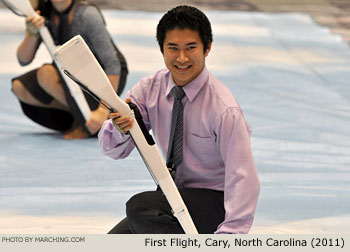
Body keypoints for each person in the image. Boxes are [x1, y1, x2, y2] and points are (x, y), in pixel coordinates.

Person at [98, 5, 259, 234]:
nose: (181, 58)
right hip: (173, 195)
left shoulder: (224, 109)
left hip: (214, 202)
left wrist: (230, 235)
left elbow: (243, 177)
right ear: (162, 49)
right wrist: (119, 129)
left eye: (191, 48)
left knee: (141, 207)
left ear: (207, 48)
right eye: (173, 48)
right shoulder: (148, 89)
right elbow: (113, 151)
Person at [11, 0, 128, 139]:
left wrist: (103, 110)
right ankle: (81, 118)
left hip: (104, 76)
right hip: (70, 71)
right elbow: (23, 59)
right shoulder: (43, 13)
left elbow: (112, 64)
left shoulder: (87, 14)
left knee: (46, 74)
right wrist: (31, 33)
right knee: (19, 87)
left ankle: (93, 121)